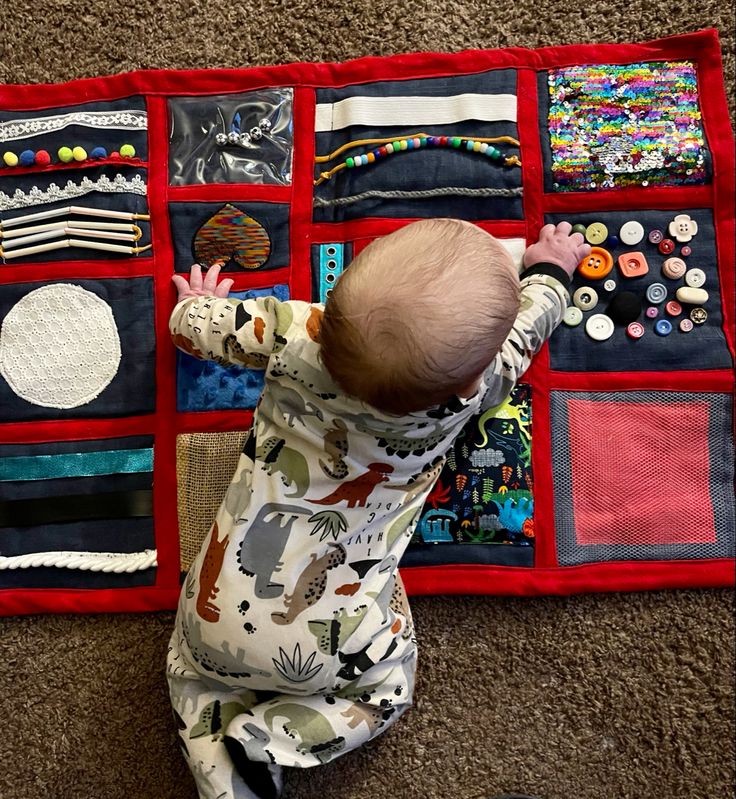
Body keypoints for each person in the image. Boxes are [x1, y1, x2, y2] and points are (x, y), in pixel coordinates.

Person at [166, 219, 589, 799]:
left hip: (209, 620)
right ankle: (265, 741)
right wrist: (550, 272)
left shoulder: (294, 327)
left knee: (193, 674)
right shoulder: (471, 391)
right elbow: (525, 333)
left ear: (333, 302)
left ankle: (221, 767)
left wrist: (196, 308)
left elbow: (194, 331)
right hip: (333, 647)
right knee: (388, 687)